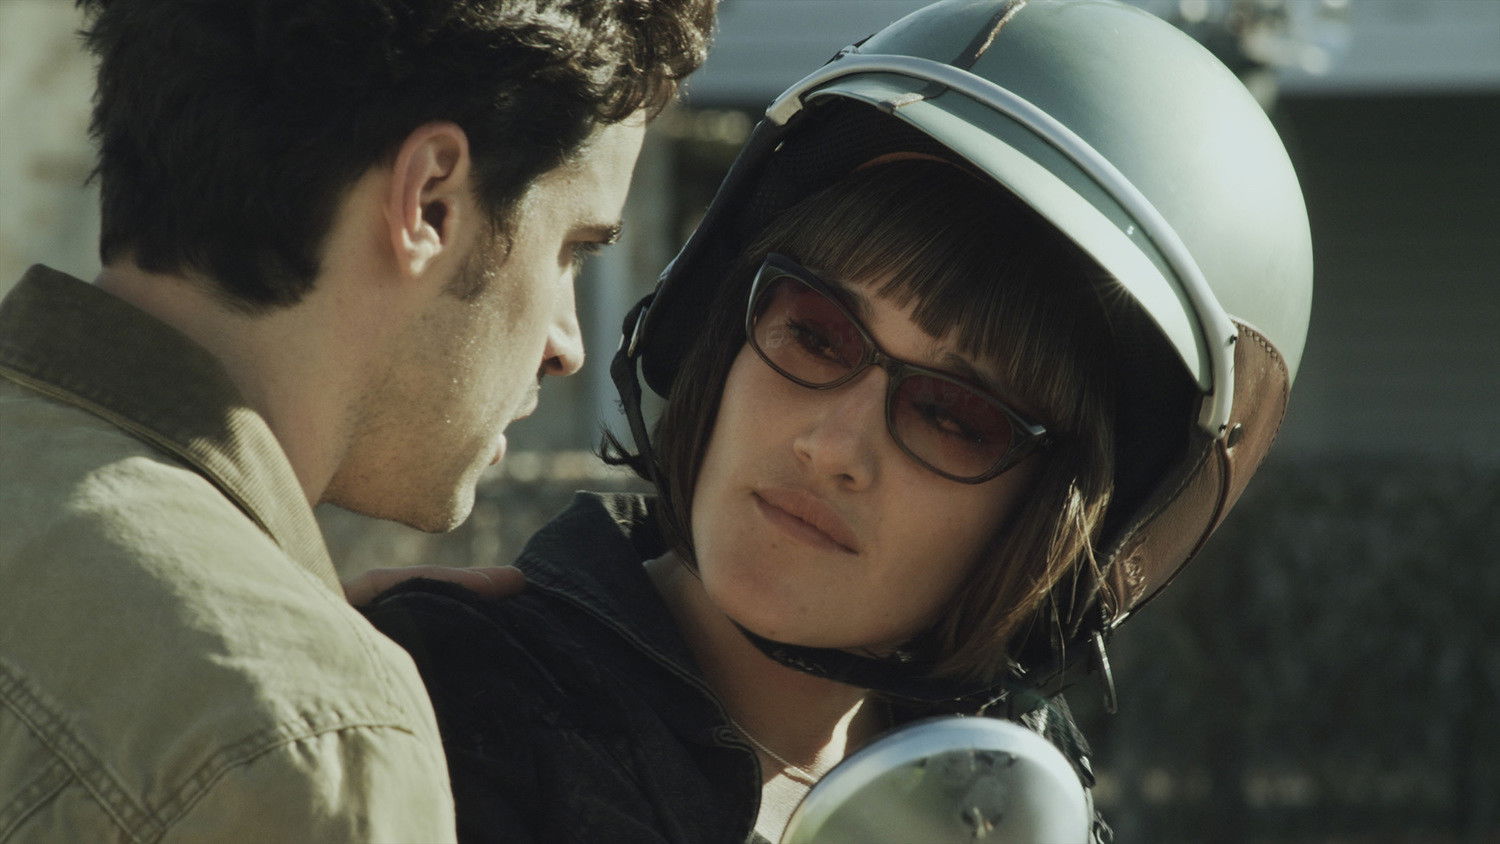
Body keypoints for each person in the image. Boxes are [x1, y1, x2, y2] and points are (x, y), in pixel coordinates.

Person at [362, 0, 1313, 841]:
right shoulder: (457, 717)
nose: (830, 448)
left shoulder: (1013, 792)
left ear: (1064, 520)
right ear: (716, 329)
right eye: (815, 336)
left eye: (952, 416)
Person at [0, 0, 715, 840]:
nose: (568, 347)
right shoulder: (300, 740)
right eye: (569, 249)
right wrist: (300, 682)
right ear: (430, 203)